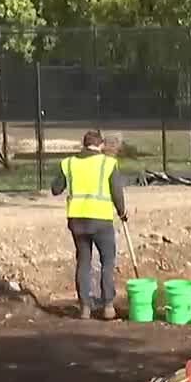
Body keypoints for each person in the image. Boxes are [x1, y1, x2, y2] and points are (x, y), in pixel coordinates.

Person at [51, 130, 129, 320]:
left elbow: (55, 189)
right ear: (100, 145)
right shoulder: (108, 163)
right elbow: (117, 192)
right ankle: (108, 306)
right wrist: (122, 212)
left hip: (77, 221)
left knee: (84, 262)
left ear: (84, 144)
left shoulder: (68, 163)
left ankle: (85, 307)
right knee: (107, 261)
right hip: (101, 220)